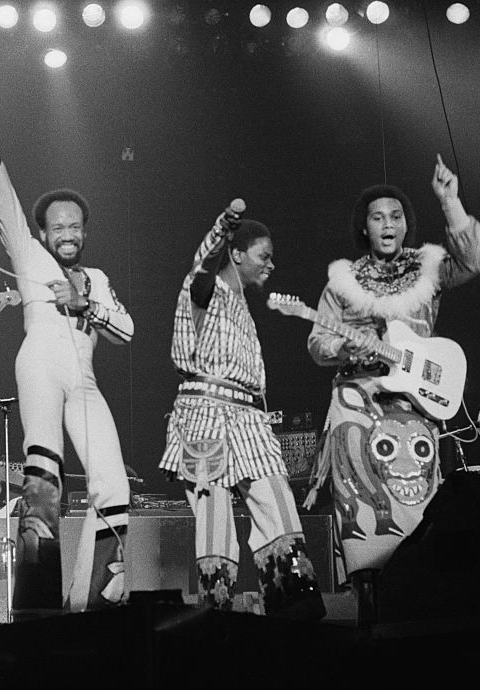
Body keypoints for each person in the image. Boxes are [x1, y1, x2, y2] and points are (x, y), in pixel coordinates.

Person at [0, 88, 134, 615]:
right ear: (42, 232)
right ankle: (36, 605)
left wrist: (87, 304)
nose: (67, 233)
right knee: (45, 470)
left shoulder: (97, 278)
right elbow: (3, 196)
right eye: (57, 226)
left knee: (113, 481)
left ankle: (94, 601)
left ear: (84, 232)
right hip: (39, 363)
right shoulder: (29, 255)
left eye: (74, 226)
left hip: (84, 381)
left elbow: (127, 332)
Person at [304, 155, 480, 624]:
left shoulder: (427, 269)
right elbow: (318, 342)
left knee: (416, 500)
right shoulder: (343, 282)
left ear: (406, 225)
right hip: (357, 400)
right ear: (364, 228)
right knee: (358, 499)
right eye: (378, 217)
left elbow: (472, 262)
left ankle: (417, 609)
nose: (387, 224)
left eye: (396, 216)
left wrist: (450, 201)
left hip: (412, 403)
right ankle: (369, 610)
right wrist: (346, 348)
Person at [159, 205, 326, 620]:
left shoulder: (242, 306)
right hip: (205, 414)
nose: (271, 264)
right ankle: (215, 620)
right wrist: (220, 230)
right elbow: (201, 268)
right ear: (236, 254)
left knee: (279, 507)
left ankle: (294, 612)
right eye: (263, 255)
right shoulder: (206, 290)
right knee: (216, 525)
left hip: (248, 418)